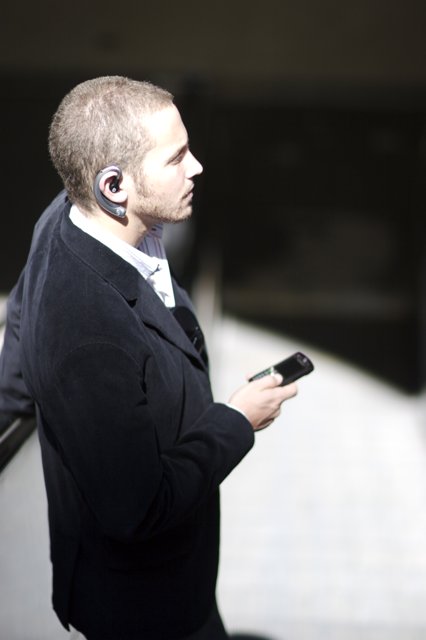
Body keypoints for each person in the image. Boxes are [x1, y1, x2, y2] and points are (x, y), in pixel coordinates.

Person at [6, 76, 297, 640]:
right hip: (146, 612)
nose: (197, 168)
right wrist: (236, 420)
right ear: (114, 186)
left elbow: (16, 346)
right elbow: (136, 510)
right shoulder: (90, 336)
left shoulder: (64, 216)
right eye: (178, 158)